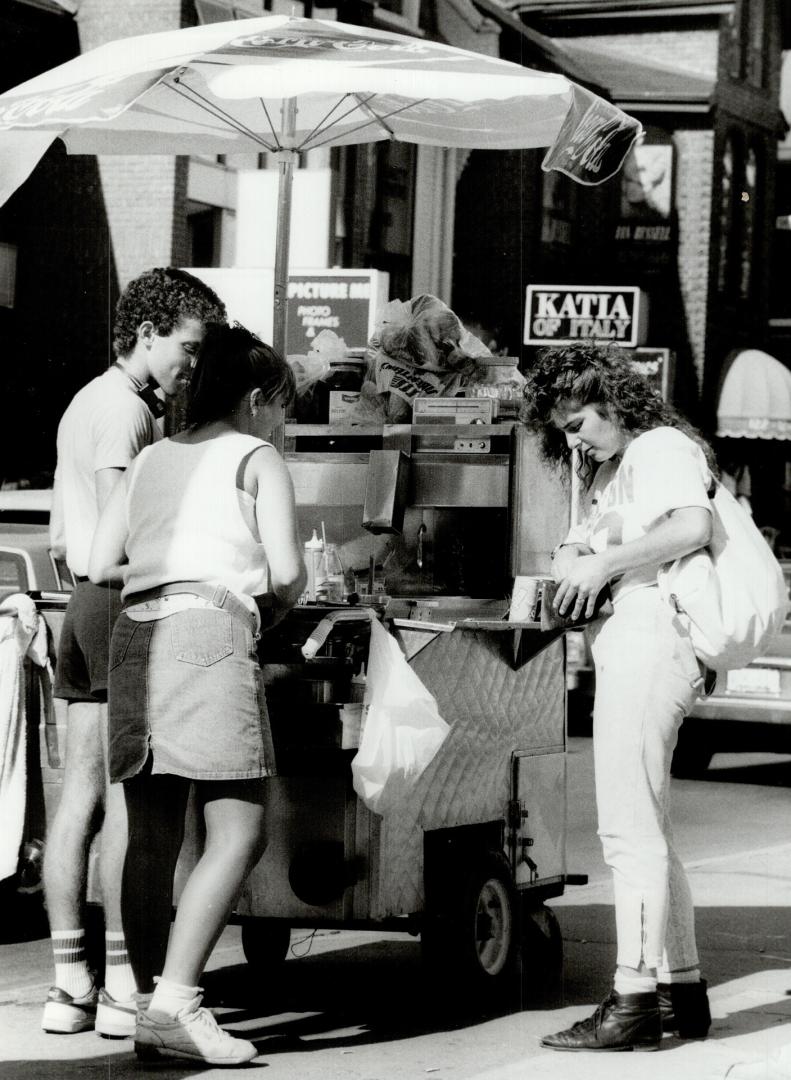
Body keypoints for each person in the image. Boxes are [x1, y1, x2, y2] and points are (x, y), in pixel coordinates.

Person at [88, 323, 306, 1066]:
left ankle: (150, 1004)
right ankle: (181, 1003)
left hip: (133, 635)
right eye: (279, 404)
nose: (281, 419)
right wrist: (253, 605)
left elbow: (95, 559)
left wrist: (166, 566)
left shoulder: (150, 456)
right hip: (207, 632)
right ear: (253, 399)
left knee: (151, 838)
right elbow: (286, 574)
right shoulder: (255, 455)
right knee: (239, 831)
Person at [42, 268, 226, 1039]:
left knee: (76, 797)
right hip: (118, 604)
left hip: (76, 610)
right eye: (186, 347)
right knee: (128, 804)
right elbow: (124, 531)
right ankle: (123, 982)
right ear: (147, 333)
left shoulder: (90, 398)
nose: (192, 363)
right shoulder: (124, 414)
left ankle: (67, 983)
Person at [522, 342, 715, 1053]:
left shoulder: (659, 445)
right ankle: (680, 990)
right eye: (563, 430)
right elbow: (581, 549)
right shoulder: (609, 470)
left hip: (649, 640)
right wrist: (577, 556)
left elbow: (689, 526)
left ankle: (631, 997)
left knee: (626, 833)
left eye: (579, 424)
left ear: (615, 403)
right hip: (629, 643)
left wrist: (600, 559)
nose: (571, 439)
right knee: (649, 829)